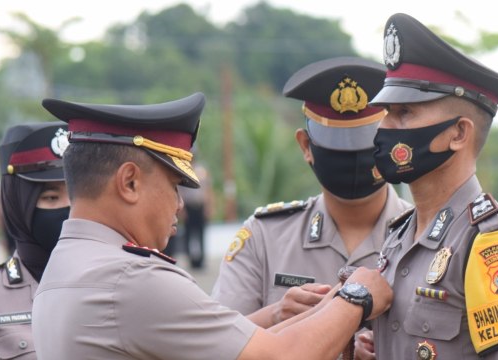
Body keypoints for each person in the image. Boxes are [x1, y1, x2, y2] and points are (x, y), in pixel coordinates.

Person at [31, 92, 393, 359]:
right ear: (129, 182)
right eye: (174, 186)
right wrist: (355, 297)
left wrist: (294, 312)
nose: (178, 205)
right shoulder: (132, 279)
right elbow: (283, 357)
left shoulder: (69, 265)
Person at [354, 13, 498, 359]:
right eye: (386, 111)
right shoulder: (400, 236)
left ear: (459, 134)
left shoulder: (490, 242)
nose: (385, 126)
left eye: (405, 112)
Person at [211, 57, 412, 329]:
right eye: (337, 144)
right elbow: (217, 343)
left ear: (391, 144)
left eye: (366, 142)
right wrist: (275, 317)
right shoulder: (264, 238)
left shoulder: (422, 239)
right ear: (306, 146)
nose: (352, 156)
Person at [0, 121, 70, 359]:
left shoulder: (118, 281)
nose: (69, 210)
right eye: (51, 197)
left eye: (77, 195)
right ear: (17, 204)